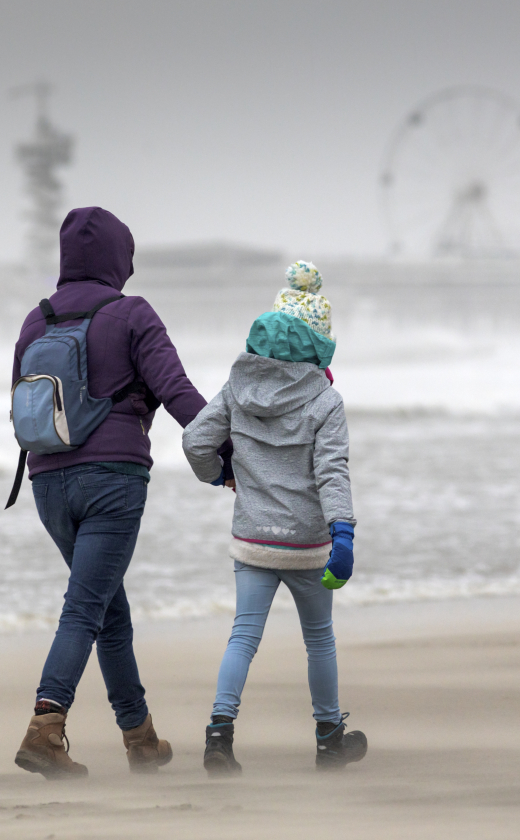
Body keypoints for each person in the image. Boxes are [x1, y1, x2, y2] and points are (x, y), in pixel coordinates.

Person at [12, 206, 232, 780]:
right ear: (119, 257)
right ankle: (46, 725)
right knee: (86, 607)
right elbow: (178, 392)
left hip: (46, 481)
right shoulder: (132, 313)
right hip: (112, 479)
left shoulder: (36, 321)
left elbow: (22, 400)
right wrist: (230, 455)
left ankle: (140, 738)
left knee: (108, 608)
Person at [182, 260, 367, 774]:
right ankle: (329, 738)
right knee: (319, 639)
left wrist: (221, 475)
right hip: (308, 546)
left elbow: (195, 440)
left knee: (243, 635)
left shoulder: (236, 388)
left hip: (253, 541)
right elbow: (332, 474)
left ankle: (219, 735)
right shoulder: (325, 400)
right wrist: (343, 533)